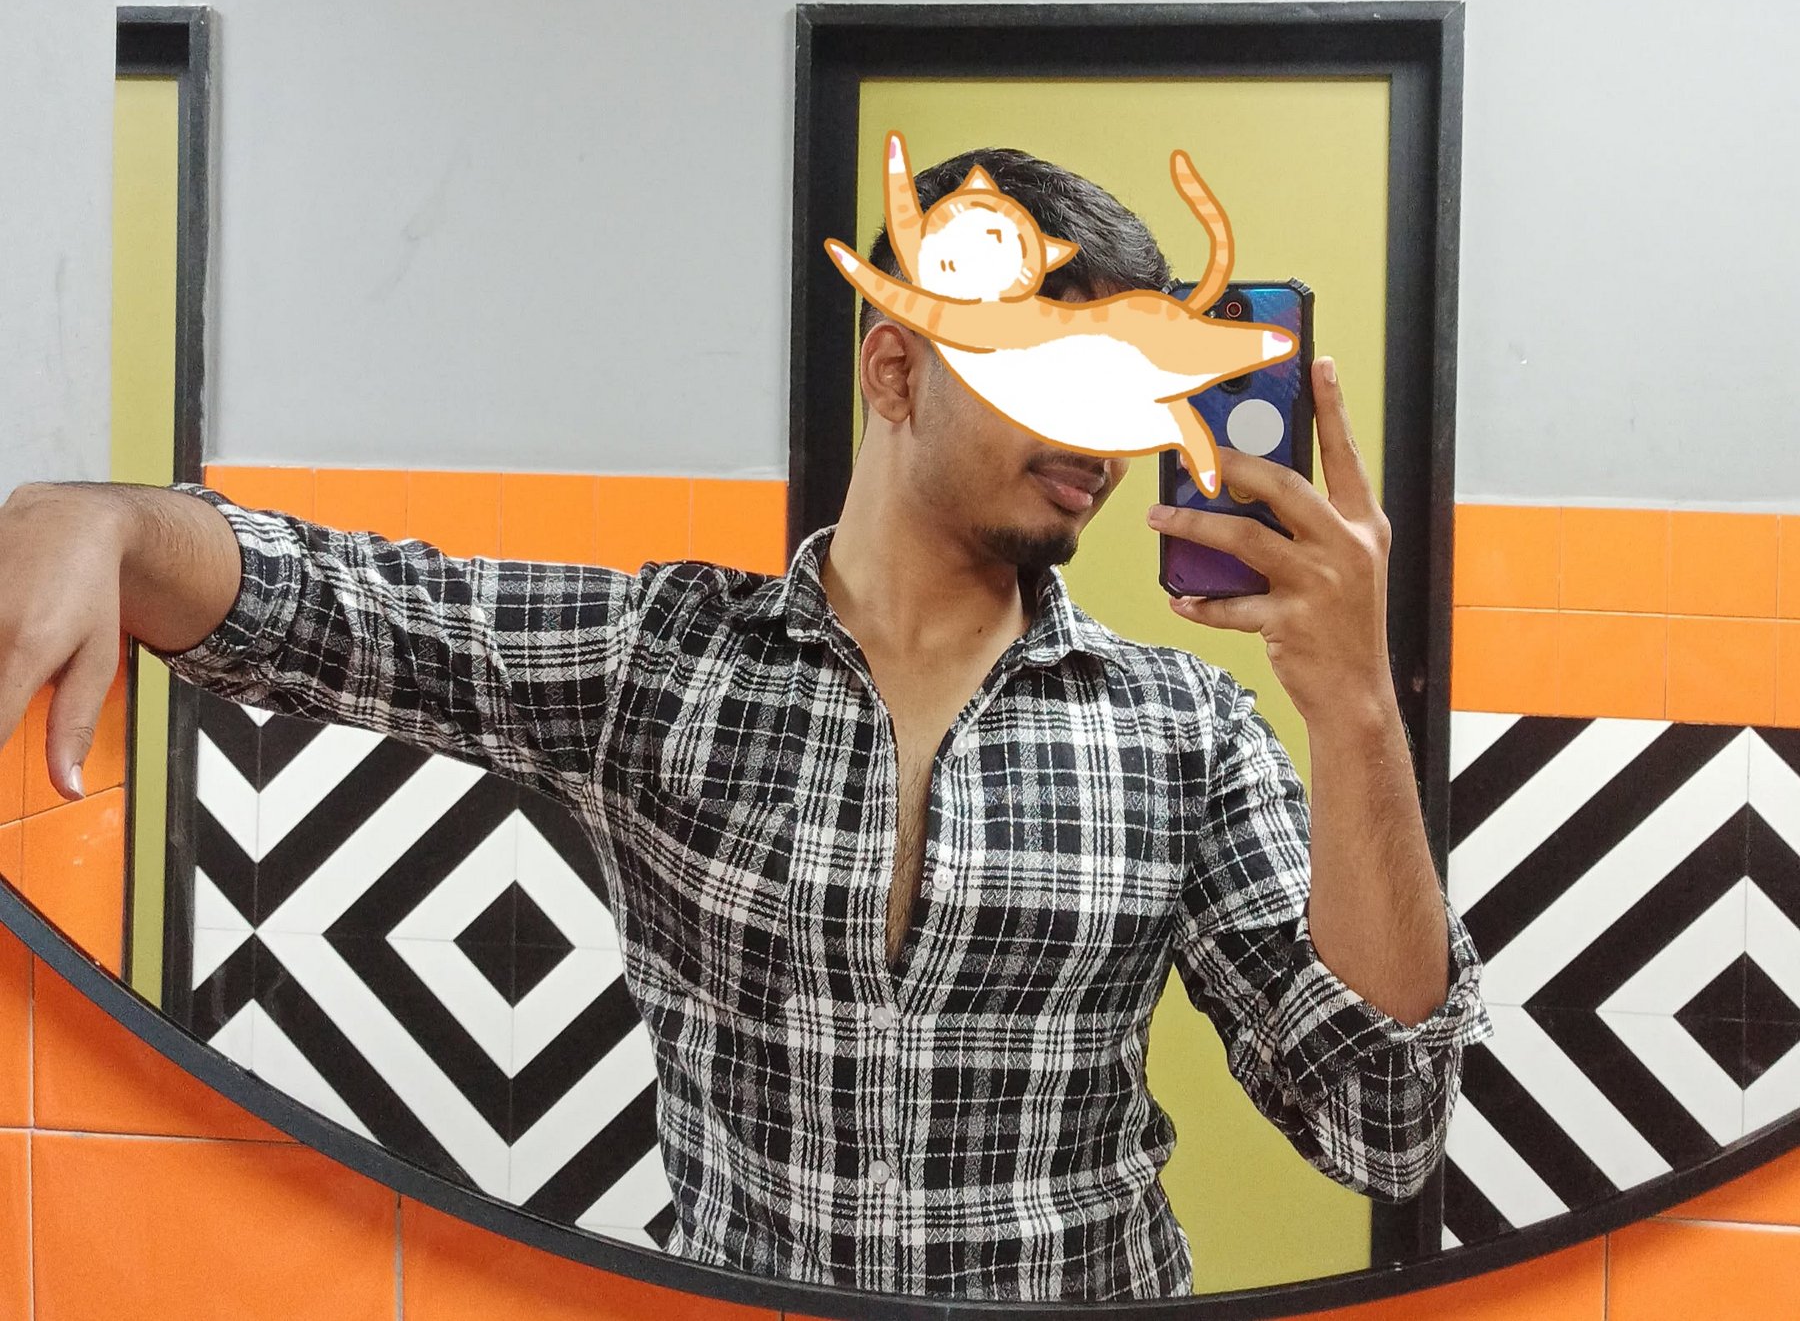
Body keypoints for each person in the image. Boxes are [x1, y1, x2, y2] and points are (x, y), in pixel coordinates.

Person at [0, 147, 1492, 1302]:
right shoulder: (665, 661)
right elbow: (338, 608)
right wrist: (107, 521)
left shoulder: (1186, 731)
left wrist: (1357, 702)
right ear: (896, 366)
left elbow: (1382, 1122)